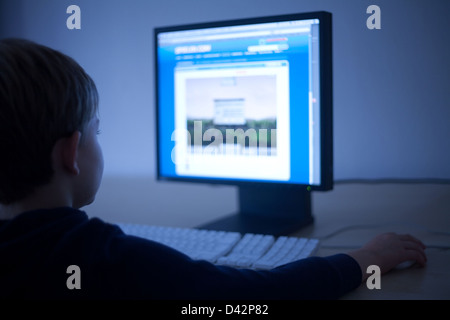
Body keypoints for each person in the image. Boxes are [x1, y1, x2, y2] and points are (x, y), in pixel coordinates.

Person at [0, 38, 427, 300]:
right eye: (98, 130)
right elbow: (254, 296)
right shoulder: (105, 259)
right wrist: (366, 258)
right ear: (73, 153)